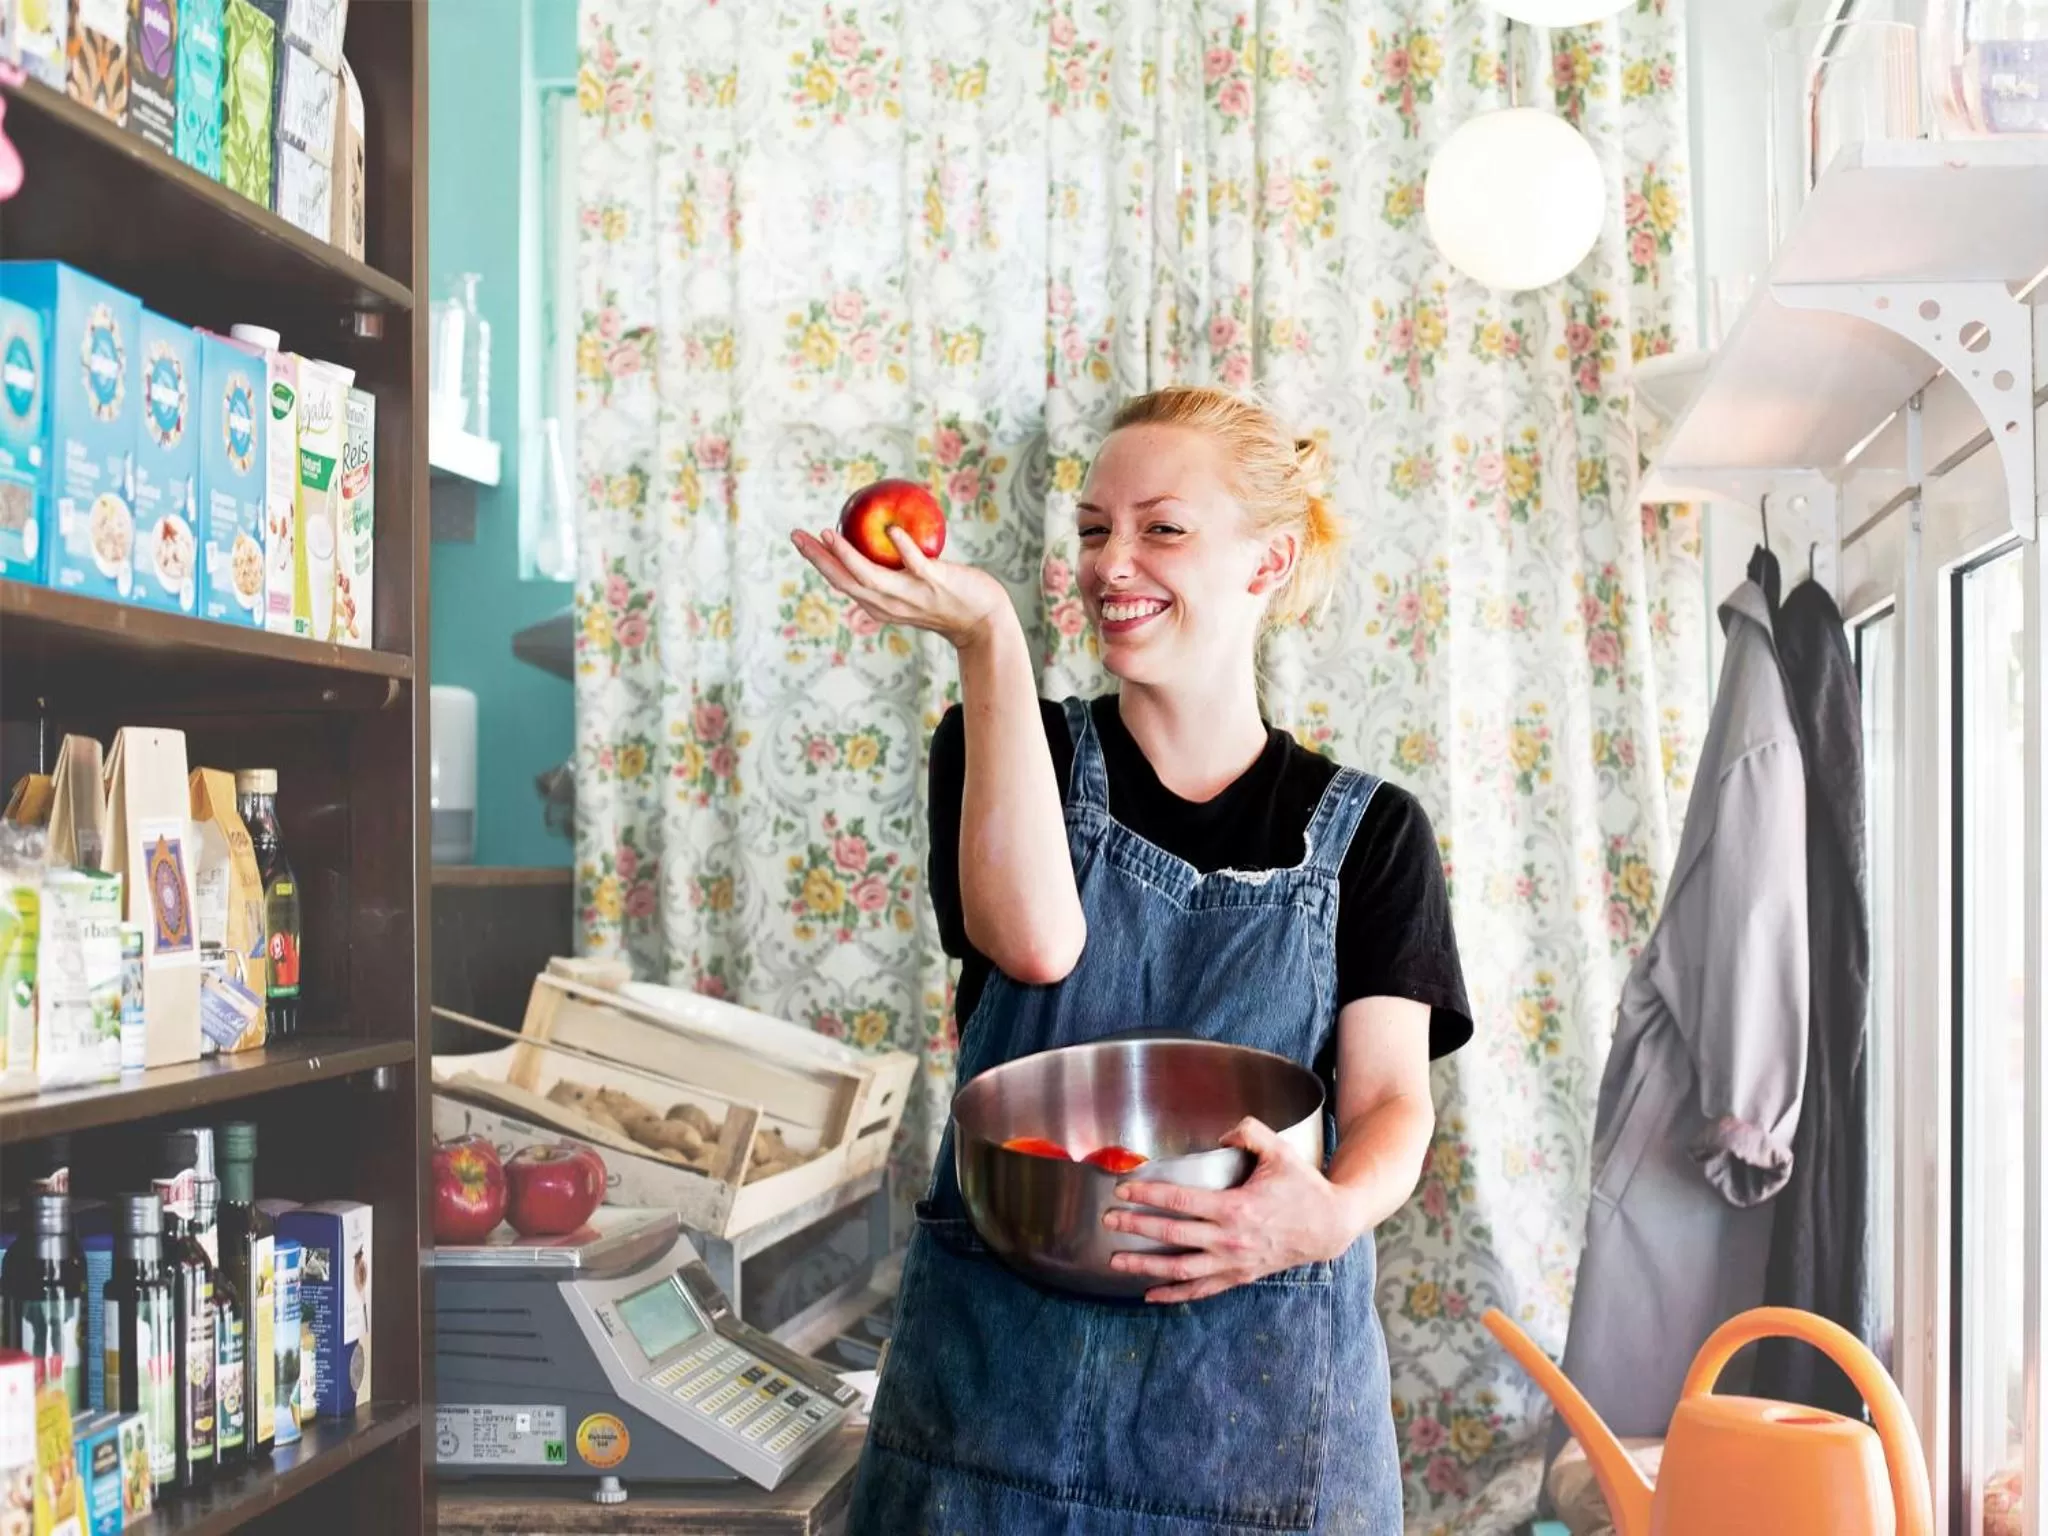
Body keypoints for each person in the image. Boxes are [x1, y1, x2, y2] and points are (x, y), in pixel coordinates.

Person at [792, 385, 1473, 1534]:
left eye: (1161, 528)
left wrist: (1331, 1215)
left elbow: (1392, 1101)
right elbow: (1036, 942)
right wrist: (987, 637)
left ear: (1267, 561)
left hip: (1249, 1420)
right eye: (1094, 529)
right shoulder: (1004, 741)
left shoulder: (1373, 832)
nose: (1113, 563)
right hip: (994, 1416)